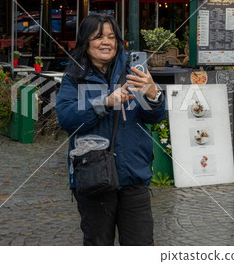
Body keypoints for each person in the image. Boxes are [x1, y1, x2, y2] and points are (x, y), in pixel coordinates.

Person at [55, 13, 166, 246]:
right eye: (98, 37)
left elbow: (155, 116)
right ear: (85, 41)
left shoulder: (133, 74)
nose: (106, 42)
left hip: (133, 175)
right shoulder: (74, 78)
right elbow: (66, 118)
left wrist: (153, 93)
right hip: (93, 176)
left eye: (111, 36)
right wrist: (104, 102)